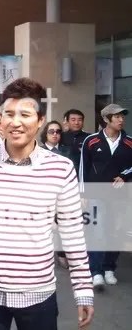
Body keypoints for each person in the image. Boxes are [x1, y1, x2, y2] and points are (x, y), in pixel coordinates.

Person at [0, 77, 94, 330]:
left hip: (38, 294)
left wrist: (83, 289)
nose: (15, 122)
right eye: (9, 114)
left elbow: (72, 232)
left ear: (40, 120)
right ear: (0, 118)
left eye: (25, 114)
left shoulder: (61, 168)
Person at [79, 103, 132, 290]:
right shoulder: (91, 141)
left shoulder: (129, 142)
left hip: (119, 196)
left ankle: (109, 268)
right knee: (98, 232)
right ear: (106, 119)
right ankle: (96, 272)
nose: (121, 120)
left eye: (122, 116)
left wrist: (124, 175)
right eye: (116, 116)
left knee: (115, 232)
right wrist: (82, 193)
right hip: (96, 194)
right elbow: (83, 167)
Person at [40, 120, 72, 269]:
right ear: (45, 134)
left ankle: (62, 254)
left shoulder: (67, 151)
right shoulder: (37, 151)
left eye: (58, 131)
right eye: (51, 131)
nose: (55, 134)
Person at [61, 109, 89, 173]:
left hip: (83, 172)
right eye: (73, 120)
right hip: (64, 171)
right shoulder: (60, 137)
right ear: (67, 121)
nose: (76, 123)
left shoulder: (89, 138)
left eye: (80, 120)